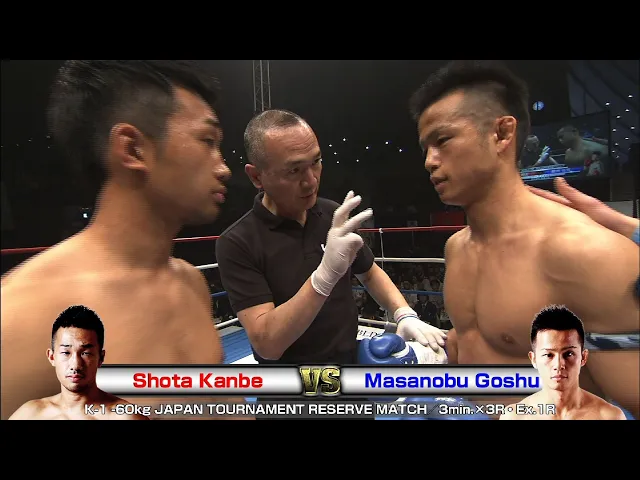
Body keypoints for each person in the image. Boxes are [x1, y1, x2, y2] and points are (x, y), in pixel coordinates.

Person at [1, 60, 241, 420]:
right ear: (133, 149)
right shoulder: (22, 315)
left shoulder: (191, 283)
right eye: (207, 141)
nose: (224, 168)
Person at [406, 60, 639, 418]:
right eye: (425, 147)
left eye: (443, 140)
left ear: (502, 134)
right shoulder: (456, 248)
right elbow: (477, 346)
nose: (428, 161)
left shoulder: (587, 253)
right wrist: (431, 359)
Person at [215, 109, 447, 367]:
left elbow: (369, 273)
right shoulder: (237, 242)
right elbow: (267, 345)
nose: (311, 181)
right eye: (294, 170)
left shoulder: (331, 214)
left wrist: (403, 313)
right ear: (256, 176)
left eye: (316, 162)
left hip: (349, 361)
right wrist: (324, 277)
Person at [10, 305, 149, 420]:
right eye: (66, 353)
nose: (76, 365)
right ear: (52, 357)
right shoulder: (30, 414)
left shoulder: (125, 416)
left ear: (101, 358)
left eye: (85, 353)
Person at [500, 305, 627, 420]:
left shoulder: (609, 417)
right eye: (549, 355)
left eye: (568, 354)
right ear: (533, 359)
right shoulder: (514, 417)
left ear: (583, 357)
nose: (559, 365)